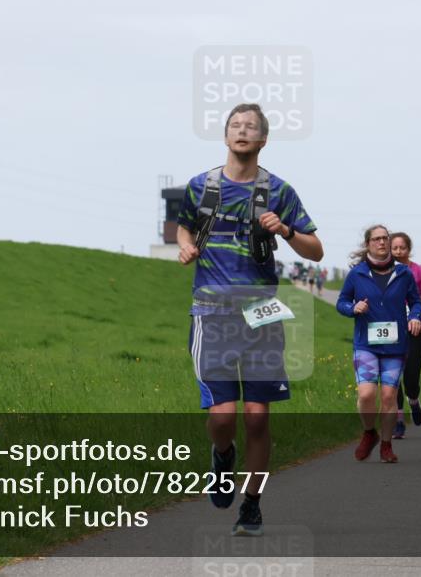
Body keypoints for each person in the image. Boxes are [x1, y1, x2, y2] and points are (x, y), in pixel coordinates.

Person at [176, 103, 323, 536]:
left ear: (263, 140)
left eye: (251, 127)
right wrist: (186, 246)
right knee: (223, 418)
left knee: (258, 416)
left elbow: (316, 250)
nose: (242, 132)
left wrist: (286, 231)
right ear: (225, 137)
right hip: (212, 312)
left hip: (261, 313)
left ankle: (253, 504)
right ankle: (223, 456)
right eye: (235, 126)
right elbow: (183, 226)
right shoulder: (201, 187)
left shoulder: (279, 191)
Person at [337, 226, 421, 463]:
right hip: (365, 343)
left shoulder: (403, 273)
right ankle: (369, 433)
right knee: (366, 395)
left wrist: (415, 316)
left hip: (395, 346)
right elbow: (342, 302)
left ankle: (386, 445)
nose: (382, 242)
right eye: (377, 239)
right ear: (368, 244)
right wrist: (352, 308)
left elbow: (416, 302)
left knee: (388, 397)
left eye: (385, 238)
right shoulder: (357, 273)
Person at [389, 232, 421, 439]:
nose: (399, 252)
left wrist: (412, 295)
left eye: (403, 248)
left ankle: (414, 401)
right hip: (391, 329)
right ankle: (399, 420)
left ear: (409, 249)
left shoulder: (419, 271)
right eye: (395, 248)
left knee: (410, 377)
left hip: (415, 330)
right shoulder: (384, 271)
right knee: (392, 377)